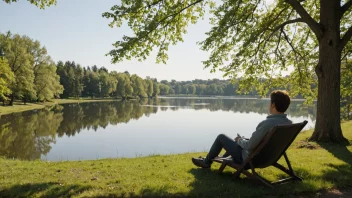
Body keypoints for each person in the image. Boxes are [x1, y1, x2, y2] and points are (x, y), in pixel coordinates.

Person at [192, 90, 293, 168]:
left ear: (273, 104)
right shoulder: (289, 124)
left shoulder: (267, 124)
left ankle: (206, 162)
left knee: (221, 137)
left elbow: (249, 146)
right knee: (242, 139)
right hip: (268, 158)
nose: (269, 104)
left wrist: (239, 140)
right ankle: (220, 158)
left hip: (249, 160)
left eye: (270, 102)